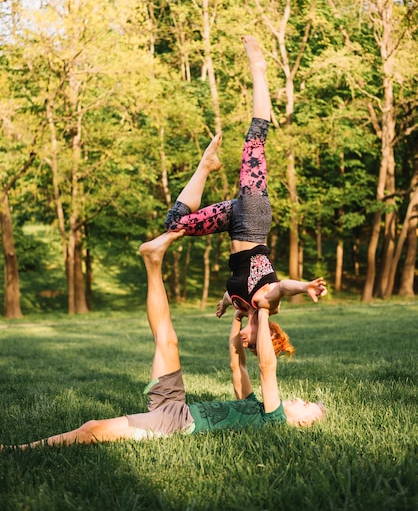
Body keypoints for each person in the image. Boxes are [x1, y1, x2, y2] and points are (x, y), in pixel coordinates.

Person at [3, 230, 325, 450]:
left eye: (307, 406)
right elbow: (236, 365)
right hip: (178, 407)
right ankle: (152, 260)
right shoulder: (254, 406)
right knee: (166, 338)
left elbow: (267, 368)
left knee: (93, 429)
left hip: (175, 425)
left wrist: (265, 310)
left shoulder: (274, 418)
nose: (300, 400)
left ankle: (17, 450)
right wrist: (240, 315)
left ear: (303, 425)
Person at [165, 36, 327, 356]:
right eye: (252, 341)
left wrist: (226, 305)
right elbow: (282, 287)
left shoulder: (242, 305)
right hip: (253, 218)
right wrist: (305, 286)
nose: (245, 341)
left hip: (233, 221)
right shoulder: (266, 303)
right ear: (263, 331)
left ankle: (206, 166)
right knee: (254, 143)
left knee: (175, 224)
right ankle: (259, 70)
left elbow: (231, 293)